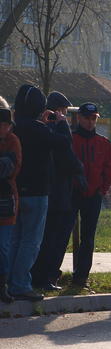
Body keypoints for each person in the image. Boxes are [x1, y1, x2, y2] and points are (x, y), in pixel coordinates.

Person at [10, 84, 71, 301]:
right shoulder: (40, 130)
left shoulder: (13, 129)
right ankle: (20, 284)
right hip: (37, 193)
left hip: (15, 191)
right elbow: (63, 143)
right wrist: (62, 123)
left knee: (14, 240)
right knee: (31, 241)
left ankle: (9, 282)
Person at [31, 92, 87, 290]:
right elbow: (66, 151)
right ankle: (45, 277)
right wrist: (79, 168)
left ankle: (41, 276)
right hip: (58, 193)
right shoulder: (56, 130)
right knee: (53, 239)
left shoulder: (40, 128)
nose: (64, 115)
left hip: (48, 191)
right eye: (62, 111)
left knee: (43, 237)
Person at [65, 103, 111, 288]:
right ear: (79, 118)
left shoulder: (103, 142)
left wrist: (102, 190)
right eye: (87, 118)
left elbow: (109, 169)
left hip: (93, 195)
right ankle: (51, 273)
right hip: (72, 193)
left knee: (88, 238)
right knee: (62, 233)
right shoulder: (70, 139)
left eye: (93, 118)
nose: (90, 122)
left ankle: (81, 276)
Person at [0, 102, 21, 303]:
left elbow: (11, 168)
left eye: (6, 125)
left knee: (3, 247)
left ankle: (2, 286)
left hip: (6, 201)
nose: (3, 128)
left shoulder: (13, 141)